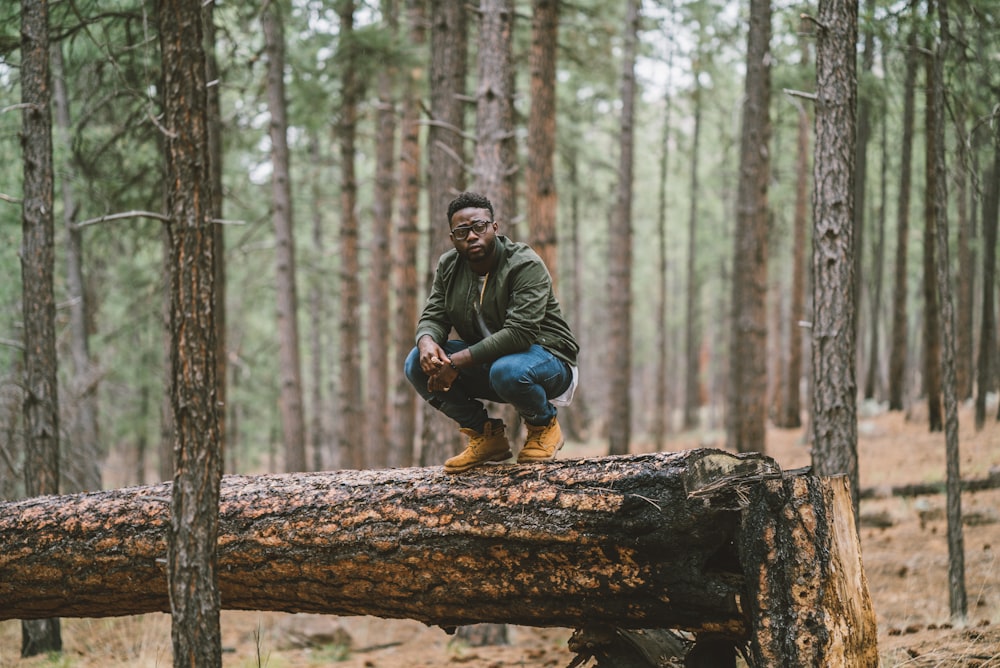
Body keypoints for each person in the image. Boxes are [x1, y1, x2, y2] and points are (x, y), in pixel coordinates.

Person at [404, 191, 579, 473]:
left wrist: (455, 362)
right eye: (462, 231)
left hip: (548, 362)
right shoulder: (449, 266)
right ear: (453, 238)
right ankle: (485, 435)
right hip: (491, 364)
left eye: (479, 226)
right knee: (415, 363)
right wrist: (426, 342)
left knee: (507, 370)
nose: (472, 236)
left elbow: (519, 333)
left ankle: (543, 425)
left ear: (494, 228)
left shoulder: (524, 263)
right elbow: (434, 315)